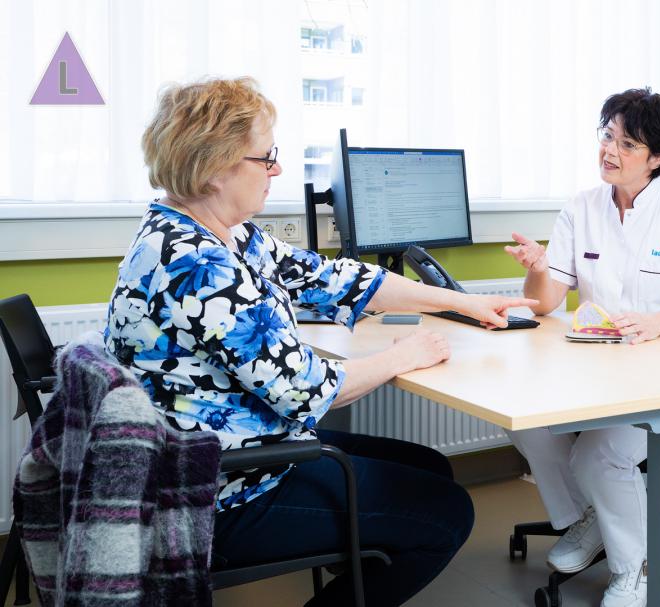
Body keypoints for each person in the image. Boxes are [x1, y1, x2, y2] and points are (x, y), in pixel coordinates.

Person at [105, 77, 536, 607]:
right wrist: (404, 355)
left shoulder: (210, 233)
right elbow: (306, 394)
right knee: (449, 513)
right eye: (266, 158)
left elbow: (335, 279)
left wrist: (463, 303)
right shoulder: (199, 263)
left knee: (431, 468)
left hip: (230, 455)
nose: (277, 170)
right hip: (212, 494)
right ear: (215, 167)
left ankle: (353, 563)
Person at [503, 88, 660, 607]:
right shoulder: (581, 208)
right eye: (607, 136)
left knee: (599, 457)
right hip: (600, 367)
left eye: (626, 144)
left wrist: (654, 323)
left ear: (657, 158)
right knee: (526, 421)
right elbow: (547, 300)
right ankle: (595, 518)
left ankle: (637, 570)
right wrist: (538, 268)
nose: (609, 151)